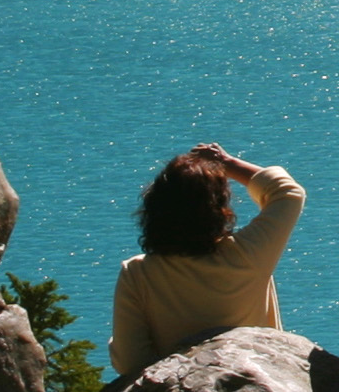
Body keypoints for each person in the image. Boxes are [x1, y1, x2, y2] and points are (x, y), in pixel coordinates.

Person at [109, 143, 304, 378]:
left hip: (180, 389)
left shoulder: (137, 272)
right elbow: (288, 193)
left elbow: (131, 361)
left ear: (153, 208)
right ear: (219, 209)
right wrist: (227, 163)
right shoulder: (247, 254)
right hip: (258, 376)